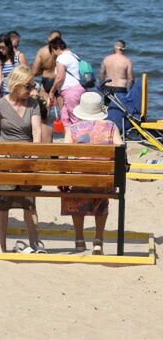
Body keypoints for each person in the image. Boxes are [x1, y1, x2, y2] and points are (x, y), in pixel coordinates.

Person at [0, 65, 44, 253]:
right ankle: (0, 246)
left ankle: (35, 243)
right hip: (5, 160)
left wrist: (33, 156)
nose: (31, 90)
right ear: (16, 85)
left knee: (29, 204)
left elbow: (37, 133)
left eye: (32, 85)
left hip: (26, 161)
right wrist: (1, 152)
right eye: (28, 86)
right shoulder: (1, 105)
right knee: (3, 204)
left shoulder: (33, 105)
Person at [61, 91, 123, 255]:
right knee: (101, 200)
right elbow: (120, 148)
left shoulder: (73, 129)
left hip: (79, 181)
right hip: (103, 182)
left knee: (76, 195)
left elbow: (64, 155)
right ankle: (98, 240)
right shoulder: (110, 126)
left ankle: (79, 240)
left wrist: (64, 179)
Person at [47, 37, 85, 128]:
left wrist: (52, 92)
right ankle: (69, 137)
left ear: (56, 48)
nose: (53, 54)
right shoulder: (74, 56)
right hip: (79, 88)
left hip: (71, 91)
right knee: (64, 116)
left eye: (52, 51)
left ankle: (78, 140)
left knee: (75, 118)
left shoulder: (61, 57)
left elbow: (60, 77)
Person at [0, 33, 28, 101]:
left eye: (3, 47)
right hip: (5, 93)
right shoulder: (0, 60)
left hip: (19, 94)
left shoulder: (19, 56)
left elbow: (27, 75)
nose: (0, 50)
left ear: (9, 46)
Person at [31, 30, 62, 98]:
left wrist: (42, 70)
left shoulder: (42, 51)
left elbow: (34, 72)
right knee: (61, 105)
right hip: (59, 80)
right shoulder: (64, 51)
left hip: (47, 80)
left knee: (46, 106)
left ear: (49, 38)